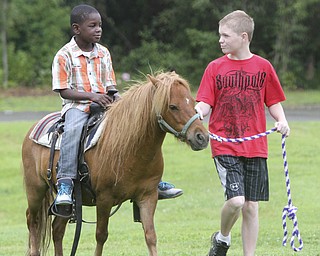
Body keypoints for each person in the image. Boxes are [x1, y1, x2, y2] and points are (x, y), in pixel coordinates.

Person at [52, 4, 182, 207]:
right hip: (76, 107)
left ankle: (151, 181)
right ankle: (65, 183)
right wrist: (93, 97)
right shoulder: (64, 55)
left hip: (105, 103)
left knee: (141, 124)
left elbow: (110, 84)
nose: (98, 30)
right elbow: (63, 90)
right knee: (73, 131)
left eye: (100, 25)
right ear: (77, 29)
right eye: (92, 26)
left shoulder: (103, 53)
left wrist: (116, 97)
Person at [195, 10, 290, 256]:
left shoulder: (263, 67)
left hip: (255, 145)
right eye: (220, 35)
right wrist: (197, 112)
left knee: (251, 206)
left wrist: (282, 120)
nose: (220, 40)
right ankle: (222, 238)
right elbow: (205, 102)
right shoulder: (214, 67)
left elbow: (273, 102)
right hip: (225, 143)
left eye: (225, 35)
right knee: (237, 200)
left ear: (243, 37)